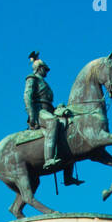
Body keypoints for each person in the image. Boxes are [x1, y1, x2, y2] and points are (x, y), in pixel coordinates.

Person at [23, 51, 81, 185]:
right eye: (45, 69)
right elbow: (27, 97)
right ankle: (49, 158)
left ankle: (68, 176)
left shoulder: (44, 83)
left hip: (48, 109)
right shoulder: (32, 78)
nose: (46, 72)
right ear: (39, 68)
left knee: (68, 126)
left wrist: (58, 108)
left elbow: (48, 102)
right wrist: (32, 114)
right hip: (39, 111)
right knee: (53, 123)